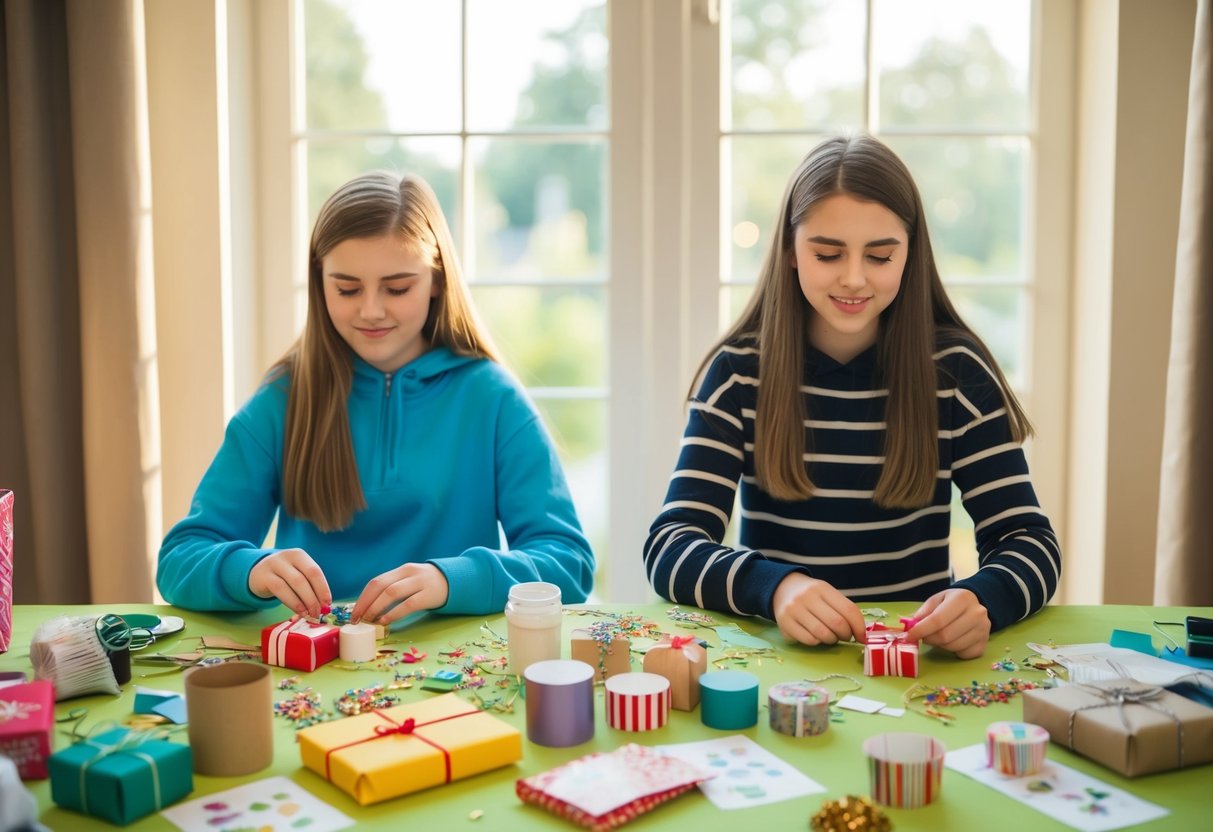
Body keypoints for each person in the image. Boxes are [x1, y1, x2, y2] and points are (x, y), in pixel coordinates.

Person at [644, 135, 1059, 659]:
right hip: (778, 665)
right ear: (791, 252)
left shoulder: (957, 375)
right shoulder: (737, 375)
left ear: (910, 254)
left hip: (918, 663)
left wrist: (982, 600)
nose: (855, 278)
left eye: (881, 255)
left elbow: (1030, 542)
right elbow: (669, 546)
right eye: (827, 253)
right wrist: (775, 588)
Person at [158, 172, 594, 626]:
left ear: (437, 281)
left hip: (456, 673)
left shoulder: (492, 399)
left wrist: (451, 580)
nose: (370, 310)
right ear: (319, 281)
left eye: (397, 287)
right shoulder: (283, 401)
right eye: (346, 288)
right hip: (314, 672)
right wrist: (248, 570)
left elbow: (568, 562)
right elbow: (179, 561)